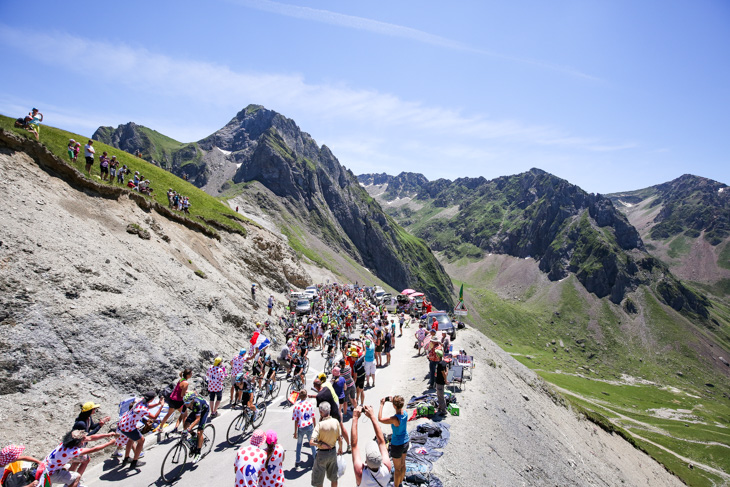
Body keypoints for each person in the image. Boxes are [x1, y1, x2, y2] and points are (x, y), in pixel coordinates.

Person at [39, 429, 116, 487]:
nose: (83, 442)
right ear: (78, 442)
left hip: (45, 468)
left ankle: (69, 483)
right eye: (82, 441)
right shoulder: (72, 451)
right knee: (77, 477)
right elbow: (93, 449)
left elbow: (90, 438)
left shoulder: (66, 444)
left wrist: (107, 435)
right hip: (50, 474)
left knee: (80, 461)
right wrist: (109, 443)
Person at [118, 391, 163, 469]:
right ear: (152, 399)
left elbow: (147, 406)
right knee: (141, 440)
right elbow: (154, 417)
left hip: (124, 423)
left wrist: (158, 404)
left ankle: (126, 458)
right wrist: (161, 406)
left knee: (131, 439)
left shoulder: (140, 401)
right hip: (128, 427)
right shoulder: (143, 409)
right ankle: (135, 462)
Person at [351, 405, 392, 487]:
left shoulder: (361, 474)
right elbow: (381, 442)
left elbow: (354, 445)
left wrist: (355, 418)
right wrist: (372, 416)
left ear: (366, 461)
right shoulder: (386, 468)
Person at [69, 401, 111, 478]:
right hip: (76, 446)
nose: (95, 410)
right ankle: (75, 480)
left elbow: (92, 427)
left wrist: (101, 423)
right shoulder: (81, 423)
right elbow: (88, 436)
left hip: (80, 445)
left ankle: (70, 480)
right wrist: (100, 426)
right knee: (86, 460)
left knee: (76, 463)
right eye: (94, 409)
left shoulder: (88, 418)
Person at [378, 396, 409, 486]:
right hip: (406, 441)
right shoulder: (405, 413)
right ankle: (401, 481)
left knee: (397, 469)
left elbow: (380, 419)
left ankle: (397, 485)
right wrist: (393, 401)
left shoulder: (394, 419)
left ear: (394, 406)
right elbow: (400, 408)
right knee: (403, 464)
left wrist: (381, 405)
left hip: (397, 445)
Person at [311, 402, 342, 487]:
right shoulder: (336, 422)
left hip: (322, 454)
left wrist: (321, 444)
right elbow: (340, 438)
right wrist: (340, 448)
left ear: (320, 412)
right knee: (334, 478)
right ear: (330, 410)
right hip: (332, 452)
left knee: (319, 480)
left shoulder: (320, 425)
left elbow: (311, 441)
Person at [156, 368, 192, 433]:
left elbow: (180, 390)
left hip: (172, 399)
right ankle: (185, 431)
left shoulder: (181, 379)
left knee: (168, 414)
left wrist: (188, 391)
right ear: (188, 375)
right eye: (191, 373)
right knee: (185, 415)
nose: (192, 374)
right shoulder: (186, 383)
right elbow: (182, 395)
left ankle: (160, 428)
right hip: (178, 401)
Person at [182, 392, 210, 463]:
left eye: (187, 402)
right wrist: (176, 427)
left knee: (199, 432)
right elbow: (181, 416)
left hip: (204, 410)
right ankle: (193, 435)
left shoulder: (197, 403)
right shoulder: (186, 404)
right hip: (196, 411)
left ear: (192, 401)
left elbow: (198, 419)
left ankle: (198, 453)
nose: (186, 404)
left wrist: (189, 428)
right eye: (185, 402)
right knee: (186, 424)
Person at [292, 388, 316, 466]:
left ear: (299, 396)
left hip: (301, 427)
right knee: (312, 443)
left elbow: (296, 420)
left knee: (299, 444)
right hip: (309, 426)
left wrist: (295, 432)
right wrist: (315, 428)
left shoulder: (297, 406)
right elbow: (313, 417)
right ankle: (315, 458)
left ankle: (297, 461)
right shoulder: (310, 404)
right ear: (306, 396)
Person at [435, 349, 449, 415]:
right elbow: (446, 369)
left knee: (440, 396)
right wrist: (446, 374)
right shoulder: (444, 362)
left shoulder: (440, 364)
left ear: (438, 356)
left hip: (440, 382)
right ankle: (440, 407)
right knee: (439, 395)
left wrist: (445, 380)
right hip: (440, 381)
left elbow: (443, 373)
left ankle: (443, 410)